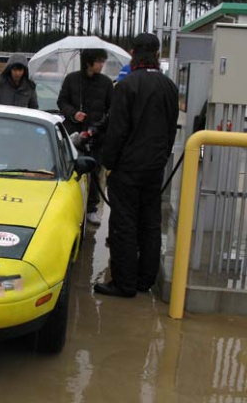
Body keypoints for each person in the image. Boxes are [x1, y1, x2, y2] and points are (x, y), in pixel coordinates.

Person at [94, 33, 178, 298]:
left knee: (124, 224)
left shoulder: (127, 86)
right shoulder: (169, 87)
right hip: (155, 168)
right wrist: (161, 158)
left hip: (128, 168)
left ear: (133, 53)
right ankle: (145, 280)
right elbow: (171, 130)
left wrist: (108, 163)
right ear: (156, 54)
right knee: (151, 223)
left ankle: (124, 283)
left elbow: (117, 131)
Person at [57, 48, 114, 225]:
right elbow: (62, 102)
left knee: (95, 172)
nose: (101, 65)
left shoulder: (106, 83)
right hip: (73, 134)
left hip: (97, 136)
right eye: (99, 61)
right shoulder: (72, 79)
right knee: (70, 171)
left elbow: (111, 110)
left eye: (103, 61)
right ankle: (69, 205)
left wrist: (96, 128)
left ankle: (91, 208)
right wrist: (73, 113)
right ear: (89, 61)